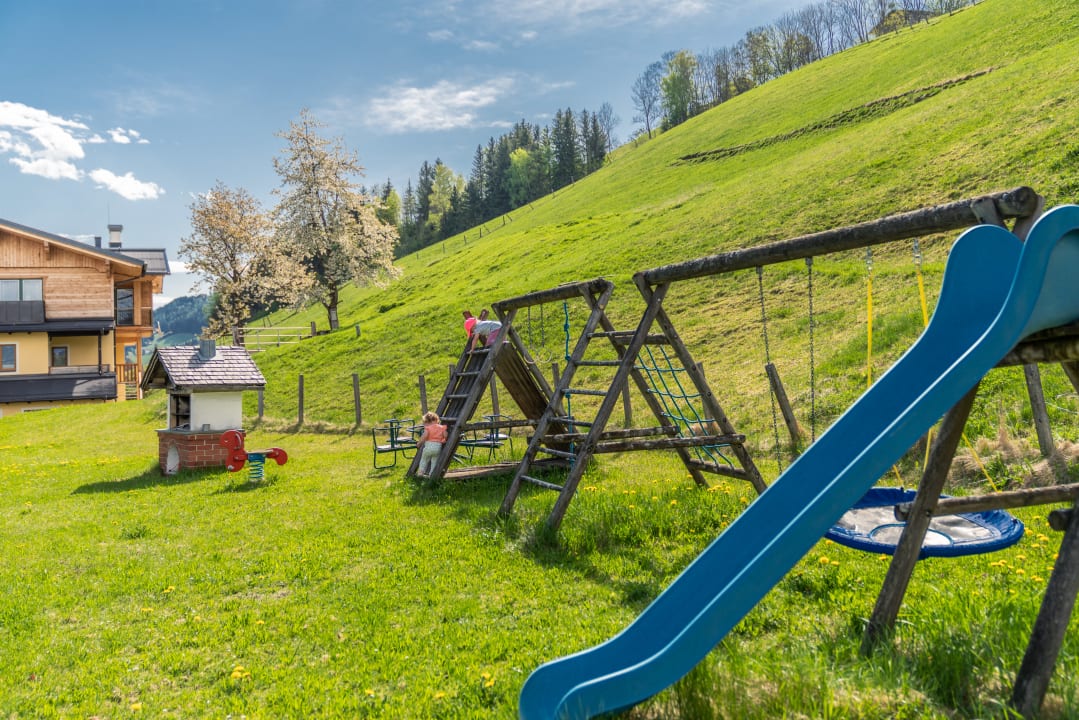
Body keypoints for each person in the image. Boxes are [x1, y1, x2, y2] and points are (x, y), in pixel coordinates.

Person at [415, 411, 447, 478]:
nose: (425, 424)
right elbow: (445, 434)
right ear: (436, 420)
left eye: (426, 423)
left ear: (429, 421)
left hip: (429, 447)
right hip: (438, 448)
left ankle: (420, 473)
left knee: (424, 459)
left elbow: (424, 436)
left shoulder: (428, 428)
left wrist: (419, 443)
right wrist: (444, 439)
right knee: (434, 461)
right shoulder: (441, 427)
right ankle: (431, 475)